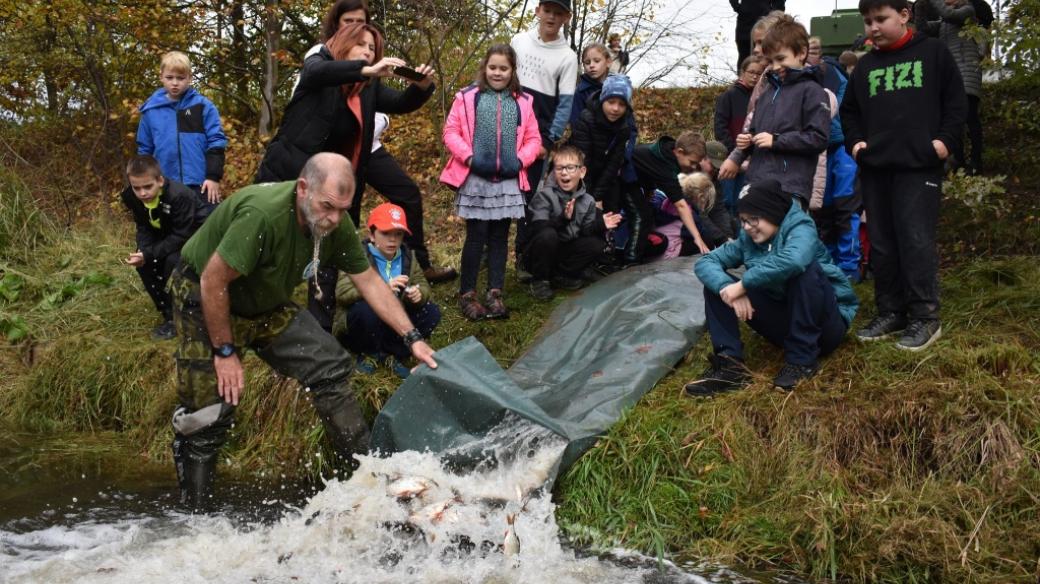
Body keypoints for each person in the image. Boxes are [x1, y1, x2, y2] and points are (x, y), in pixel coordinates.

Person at [168, 153, 437, 508]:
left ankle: (368, 482)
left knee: (330, 366)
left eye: (343, 209)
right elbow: (212, 279)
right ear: (303, 189)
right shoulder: (262, 216)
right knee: (209, 414)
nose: (334, 219)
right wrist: (225, 352)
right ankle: (196, 517)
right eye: (327, 206)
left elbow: (369, 281)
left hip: (266, 302)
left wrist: (412, 337)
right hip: (205, 299)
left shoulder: (334, 224)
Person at [255, 22, 436, 332]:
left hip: (329, 185)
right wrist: (364, 70)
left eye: (372, 48)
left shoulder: (367, 89)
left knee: (325, 250)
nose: (368, 52)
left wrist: (422, 87)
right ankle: (253, 308)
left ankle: (320, 326)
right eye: (361, 45)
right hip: (288, 172)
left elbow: (401, 103)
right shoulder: (320, 66)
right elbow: (315, 73)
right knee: (272, 244)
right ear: (342, 44)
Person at [840, 0, 966, 351]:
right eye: (867, 22)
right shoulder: (865, 68)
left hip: (919, 166)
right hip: (877, 168)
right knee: (881, 244)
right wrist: (856, 145)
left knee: (915, 239)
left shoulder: (934, 53)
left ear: (904, 15)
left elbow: (957, 104)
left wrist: (944, 143)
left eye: (880, 19)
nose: (873, 28)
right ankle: (891, 312)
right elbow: (849, 113)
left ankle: (925, 317)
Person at [304, 1, 457, 284]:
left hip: (367, 150)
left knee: (407, 194)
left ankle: (416, 267)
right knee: (338, 218)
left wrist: (421, 86)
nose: (354, 28)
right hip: (332, 158)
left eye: (361, 22)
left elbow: (397, 101)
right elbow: (313, 79)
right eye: (347, 21)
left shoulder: (370, 73)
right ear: (336, 26)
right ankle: (330, 283)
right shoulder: (320, 56)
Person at [685, 179, 858, 396]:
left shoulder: (801, 226)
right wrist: (729, 288)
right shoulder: (747, 237)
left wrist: (744, 284)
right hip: (785, 321)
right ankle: (730, 366)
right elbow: (705, 262)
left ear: (773, 212)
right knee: (716, 286)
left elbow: (795, 259)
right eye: (743, 220)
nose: (747, 227)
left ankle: (801, 362)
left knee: (805, 270)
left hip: (825, 325)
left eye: (753, 219)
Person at [440, 44, 542, 321]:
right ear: (485, 67)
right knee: (476, 236)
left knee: (499, 237)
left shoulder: (523, 102)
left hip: (508, 178)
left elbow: (534, 139)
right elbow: (451, 132)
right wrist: (470, 157)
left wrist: (521, 161)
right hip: (476, 177)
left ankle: (495, 292)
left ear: (512, 71)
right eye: (493, 67)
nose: (497, 73)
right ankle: (468, 293)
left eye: (504, 68)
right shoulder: (467, 97)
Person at [729, 14, 831, 207]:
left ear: (801, 53)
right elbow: (758, 131)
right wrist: (748, 140)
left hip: (789, 187)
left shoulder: (813, 91)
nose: (775, 67)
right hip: (757, 181)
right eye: (771, 61)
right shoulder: (767, 93)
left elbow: (818, 138)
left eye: (780, 58)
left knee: (789, 236)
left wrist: (776, 141)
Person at [334, 203, 441, 379]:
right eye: (385, 233)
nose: (392, 240)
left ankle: (393, 353)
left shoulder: (407, 256)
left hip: (394, 321)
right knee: (365, 310)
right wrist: (381, 289)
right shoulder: (358, 256)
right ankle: (369, 353)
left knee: (431, 312)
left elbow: (423, 285)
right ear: (371, 235)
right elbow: (342, 293)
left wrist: (418, 295)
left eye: (398, 234)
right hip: (362, 323)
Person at [511, 0, 579, 258]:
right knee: (495, 190)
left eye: (558, 12)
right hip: (505, 127)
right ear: (538, 10)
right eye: (547, 10)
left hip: (536, 138)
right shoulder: (519, 41)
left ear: (567, 17)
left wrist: (548, 141)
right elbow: (499, 77)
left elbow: (565, 105)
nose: (551, 17)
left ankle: (522, 255)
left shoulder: (568, 57)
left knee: (526, 197)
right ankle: (486, 248)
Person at [120, 155, 205, 340]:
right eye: (137, 188)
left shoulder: (179, 195)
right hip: (167, 237)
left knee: (171, 263)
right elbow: (143, 227)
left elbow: (183, 235)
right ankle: (168, 315)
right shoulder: (132, 197)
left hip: (195, 238)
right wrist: (143, 252)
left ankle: (187, 314)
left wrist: (150, 253)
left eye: (147, 187)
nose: (142, 193)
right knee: (144, 265)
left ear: (160, 180)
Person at [136, 51, 227, 218]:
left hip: (202, 184)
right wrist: (147, 183)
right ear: (161, 77)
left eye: (181, 78)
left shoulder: (203, 106)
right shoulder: (150, 111)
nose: (175, 83)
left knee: (208, 229)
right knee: (171, 232)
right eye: (170, 78)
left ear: (190, 78)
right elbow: (145, 150)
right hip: (166, 184)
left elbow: (217, 142)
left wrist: (213, 177)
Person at [525, 145, 622, 300]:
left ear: (582, 172)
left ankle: (562, 276)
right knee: (548, 235)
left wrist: (600, 224)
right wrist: (563, 219)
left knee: (596, 244)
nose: (564, 172)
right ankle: (540, 281)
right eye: (559, 168)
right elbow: (538, 229)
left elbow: (586, 231)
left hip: (565, 249)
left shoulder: (588, 200)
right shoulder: (544, 195)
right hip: (538, 254)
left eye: (570, 168)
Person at [569, 75, 643, 262]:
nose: (616, 108)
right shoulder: (585, 119)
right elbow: (582, 162)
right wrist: (591, 197)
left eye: (621, 104)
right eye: (611, 102)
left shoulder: (624, 127)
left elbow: (614, 164)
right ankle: (578, 260)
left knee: (610, 210)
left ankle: (604, 255)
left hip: (605, 178)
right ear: (603, 100)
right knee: (585, 212)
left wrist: (599, 197)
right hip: (578, 175)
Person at [632, 132, 718, 258]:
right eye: (692, 162)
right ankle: (631, 259)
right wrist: (698, 238)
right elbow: (681, 205)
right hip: (620, 179)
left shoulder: (668, 153)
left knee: (644, 213)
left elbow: (649, 171)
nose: (694, 167)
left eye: (697, 163)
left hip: (636, 181)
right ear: (679, 151)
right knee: (641, 216)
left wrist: (649, 190)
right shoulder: (665, 167)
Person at [930, 0, 984, 175]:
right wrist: (920, 7)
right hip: (951, 78)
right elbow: (922, 27)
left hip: (968, 75)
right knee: (955, 120)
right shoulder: (943, 24)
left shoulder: (968, 11)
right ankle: (958, 159)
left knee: (971, 119)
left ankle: (976, 161)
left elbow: (949, 15)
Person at [713, 56, 765, 215]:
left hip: (753, 159)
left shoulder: (761, 99)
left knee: (745, 202)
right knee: (728, 201)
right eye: (751, 72)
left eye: (759, 73)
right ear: (742, 72)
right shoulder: (729, 96)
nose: (755, 76)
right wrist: (735, 152)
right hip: (731, 157)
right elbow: (720, 128)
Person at [730, 0, 786, 71]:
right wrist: (737, 7)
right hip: (745, 23)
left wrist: (775, 13)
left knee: (767, 55)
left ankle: (770, 78)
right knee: (744, 57)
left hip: (766, 21)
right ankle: (743, 80)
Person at [570, 43, 612, 126]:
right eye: (587, 62)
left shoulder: (616, 88)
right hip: (587, 137)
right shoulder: (581, 91)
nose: (591, 65)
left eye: (597, 61)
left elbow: (627, 121)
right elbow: (575, 122)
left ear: (608, 62)